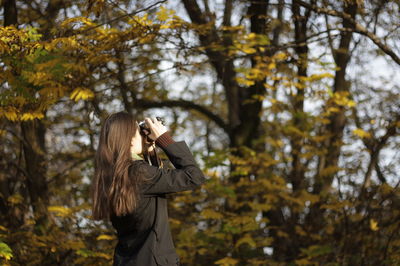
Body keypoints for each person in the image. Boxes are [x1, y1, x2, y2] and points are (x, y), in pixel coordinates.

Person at [91, 111, 206, 266]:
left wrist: (150, 151)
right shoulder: (138, 172)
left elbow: (150, 189)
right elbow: (194, 177)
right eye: (137, 132)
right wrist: (164, 139)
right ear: (130, 141)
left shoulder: (112, 176)